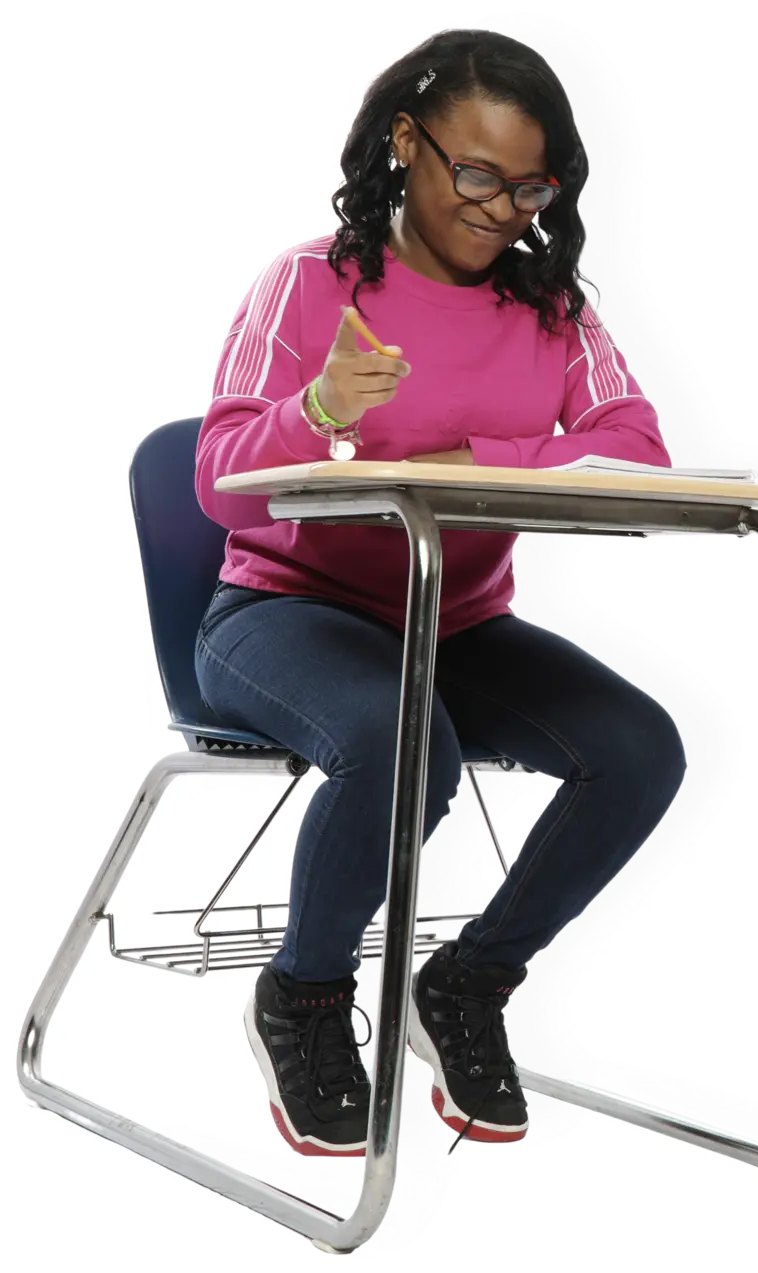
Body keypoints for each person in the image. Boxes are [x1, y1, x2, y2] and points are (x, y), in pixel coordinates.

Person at [194, 30, 688, 1158]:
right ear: (407, 146)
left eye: (530, 185)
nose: (501, 207)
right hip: (281, 614)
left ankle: (468, 980)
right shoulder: (315, 285)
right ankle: (306, 995)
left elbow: (634, 445)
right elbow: (221, 486)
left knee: (640, 747)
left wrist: (475, 459)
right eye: (476, 174)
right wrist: (316, 410)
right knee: (410, 744)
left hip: (455, 624)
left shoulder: (550, 308)